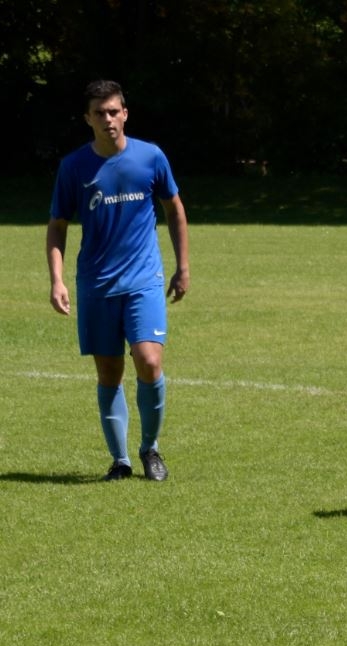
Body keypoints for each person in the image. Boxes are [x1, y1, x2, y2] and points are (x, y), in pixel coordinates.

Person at [47, 79, 190, 482]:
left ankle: (151, 450)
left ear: (125, 113)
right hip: (96, 284)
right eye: (100, 113)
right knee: (109, 373)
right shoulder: (74, 167)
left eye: (114, 111)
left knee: (149, 360)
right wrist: (56, 280)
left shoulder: (151, 157)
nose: (108, 119)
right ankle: (120, 460)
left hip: (143, 279)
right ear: (88, 119)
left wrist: (183, 266)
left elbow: (174, 209)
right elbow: (57, 226)